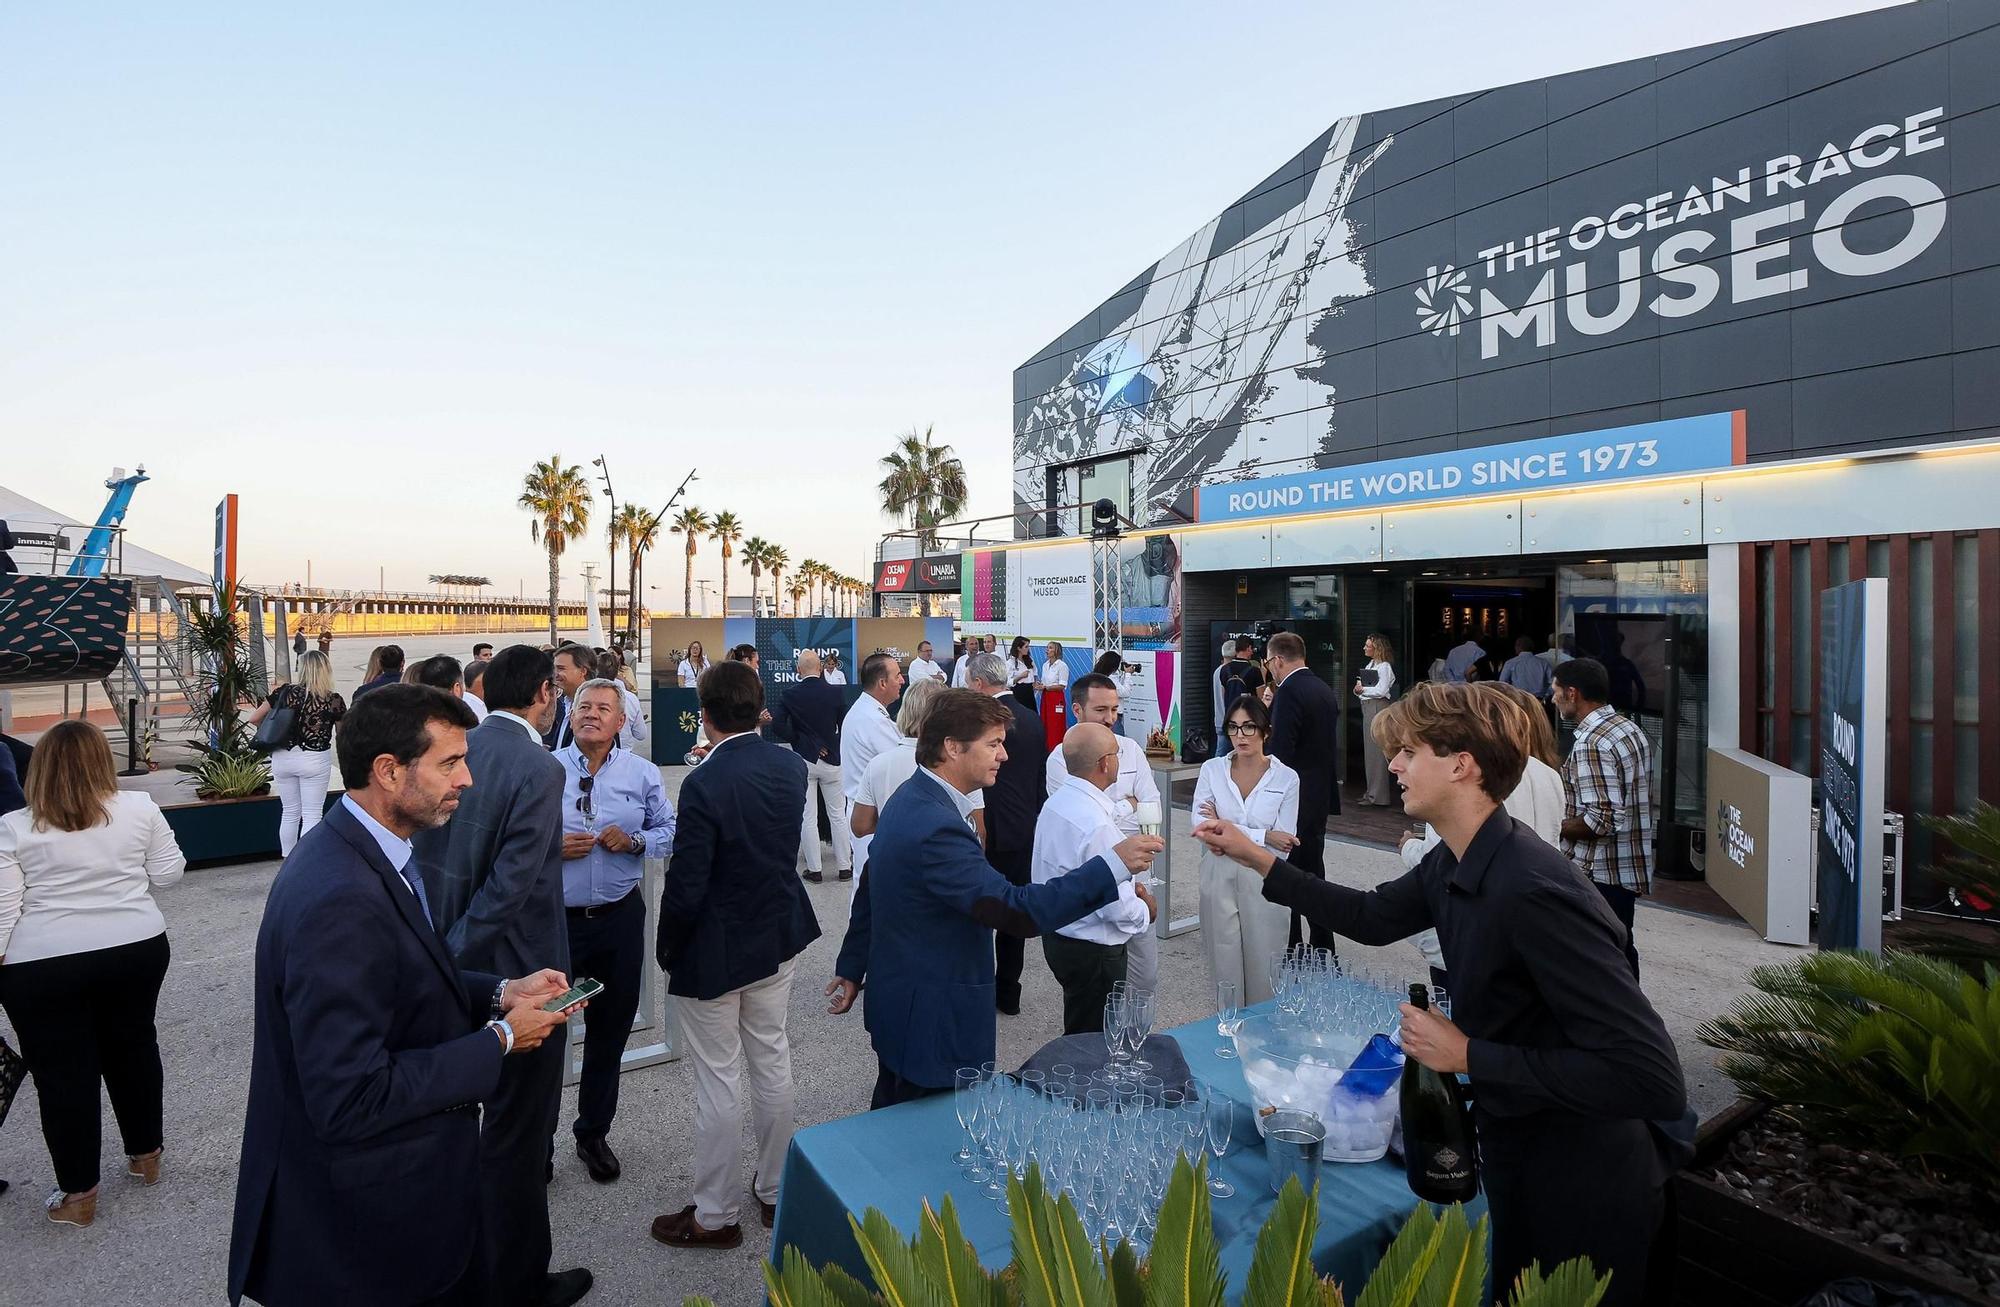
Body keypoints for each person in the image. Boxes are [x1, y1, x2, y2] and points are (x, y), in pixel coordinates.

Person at [1191, 680, 1686, 1307]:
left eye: (1407, 751)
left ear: (1462, 765)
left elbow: (1650, 1077)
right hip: (1519, 1161)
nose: (1392, 766)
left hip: (1582, 1189)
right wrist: (1257, 857)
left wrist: (1468, 1055)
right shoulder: (1457, 858)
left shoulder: (1535, 890)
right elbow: (1371, 918)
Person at [228, 685, 578, 1307]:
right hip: (369, 1233)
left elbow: (403, 979)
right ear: (388, 772)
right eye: (449, 763)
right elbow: (351, 1095)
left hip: (403, 1203)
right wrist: (502, 1038)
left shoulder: (366, 851)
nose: (468, 779)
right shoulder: (340, 896)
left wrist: (501, 991)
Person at [826, 690, 1161, 1108]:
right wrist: (1110, 866)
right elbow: (1016, 911)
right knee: (925, 1139)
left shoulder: (915, 798)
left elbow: (874, 886)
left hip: (907, 1009)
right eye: (993, 743)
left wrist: (853, 965)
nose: (1003, 755)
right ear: (952, 747)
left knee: (897, 1125)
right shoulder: (935, 823)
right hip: (932, 1021)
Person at [413, 646, 593, 1307]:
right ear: (546, 694)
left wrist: (436, 959)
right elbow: (510, 888)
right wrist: (455, 958)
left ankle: (459, 1261)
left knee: (460, 1122)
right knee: (518, 1137)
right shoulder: (538, 766)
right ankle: (515, 1282)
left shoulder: (455, 749)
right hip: (518, 974)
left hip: (451, 961)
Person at [651, 661, 820, 1249]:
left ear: (706, 713)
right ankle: (775, 1190)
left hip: (718, 946)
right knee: (771, 1059)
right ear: (758, 707)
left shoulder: (705, 781)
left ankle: (714, 1214)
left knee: (719, 1078)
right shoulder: (788, 765)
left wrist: (667, 944)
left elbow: (688, 882)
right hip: (775, 933)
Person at [0, 721, 183, 1228]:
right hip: (135, 946)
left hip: (43, 961)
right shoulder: (140, 809)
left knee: (63, 1074)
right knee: (133, 1047)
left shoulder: (14, 826)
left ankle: (79, 1193)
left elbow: (3, 913)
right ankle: (146, 1155)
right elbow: (168, 873)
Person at [557, 679, 676, 1184]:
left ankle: (592, 1134)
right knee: (543, 1031)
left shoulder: (642, 773)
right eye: (584, 706)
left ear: (621, 720)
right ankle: (535, 1140)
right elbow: (513, 837)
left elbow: (669, 831)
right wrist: (551, 848)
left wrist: (632, 841)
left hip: (618, 920)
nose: (591, 715)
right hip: (556, 925)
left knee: (610, 1031)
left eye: (603, 708)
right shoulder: (546, 770)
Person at [1403, 682, 1569, 990]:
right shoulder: (1547, 773)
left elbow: (1444, 859)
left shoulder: (1469, 785)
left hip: (1473, 934)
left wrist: (1407, 846)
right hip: (1530, 926)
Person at [1041, 672, 1162, 996]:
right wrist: (1126, 807)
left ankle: (1135, 1038)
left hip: (1139, 877)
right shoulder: (1060, 759)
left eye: (1114, 709)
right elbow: (1084, 819)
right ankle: (1114, 1040)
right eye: (1101, 710)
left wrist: (1127, 808)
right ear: (1077, 710)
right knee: (1103, 988)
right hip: (1100, 891)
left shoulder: (1132, 749)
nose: (1110, 719)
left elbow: (1151, 802)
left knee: (1145, 976)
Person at [1032, 724, 1157, 1033]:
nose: (1119, 760)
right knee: (1093, 1041)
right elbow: (1115, 906)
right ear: (1104, 763)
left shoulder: (1056, 804)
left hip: (1060, 936)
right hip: (1094, 949)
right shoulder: (1097, 824)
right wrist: (1146, 909)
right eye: (1116, 754)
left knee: (1080, 1025)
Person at [1193, 696, 1298, 1005]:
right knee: (1223, 960)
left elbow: (1286, 843)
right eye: (1234, 728)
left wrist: (1223, 825)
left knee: (1265, 958)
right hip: (1218, 868)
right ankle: (1227, 1031)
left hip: (1265, 873)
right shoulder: (1212, 769)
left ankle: (1262, 1035)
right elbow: (1200, 824)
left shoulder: (1287, 777)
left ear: (1265, 730)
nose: (1240, 736)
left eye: (1249, 727)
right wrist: (1263, 833)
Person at [1553, 657, 1655, 978]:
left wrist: (1552, 826)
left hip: (1600, 873)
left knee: (1599, 963)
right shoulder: (1628, 728)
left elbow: (1602, 820)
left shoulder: (1591, 743)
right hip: (1624, 870)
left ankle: (1621, 1024)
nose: (1552, 698)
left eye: (1556, 691)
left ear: (1572, 693)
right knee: (1619, 953)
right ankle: (1632, 1022)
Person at [966, 653, 1048, 1016]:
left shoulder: (981, 722)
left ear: (980, 684)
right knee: (1014, 913)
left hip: (988, 828)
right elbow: (1039, 780)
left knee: (981, 912)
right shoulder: (1032, 718)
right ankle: (1008, 993)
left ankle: (980, 989)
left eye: (969, 684)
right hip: (1025, 828)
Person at [1263, 631, 1340, 950]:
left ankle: (1291, 942)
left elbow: (1281, 751)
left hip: (1295, 798)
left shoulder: (1290, 691)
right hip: (1319, 794)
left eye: (1269, 663)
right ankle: (1322, 943)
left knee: (1289, 872)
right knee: (1313, 869)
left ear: (1278, 660)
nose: (1270, 670)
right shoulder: (1323, 688)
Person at [247, 650, 346, 856]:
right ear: (325, 670)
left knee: (290, 812)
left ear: (302, 669)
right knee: (312, 815)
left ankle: (287, 860)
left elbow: (254, 718)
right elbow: (342, 734)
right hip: (314, 759)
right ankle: (305, 863)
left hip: (283, 758)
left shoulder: (284, 692)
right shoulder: (333, 699)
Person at [849, 681, 973, 843]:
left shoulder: (878, 764)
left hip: (891, 856)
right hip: (945, 859)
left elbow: (860, 826)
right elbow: (978, 830)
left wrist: (896, 825)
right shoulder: (961, 762)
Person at [771, 651, 850, 882]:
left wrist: (804, 742)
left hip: (805, 761)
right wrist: (827, 744)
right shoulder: (836, 692)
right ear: (821, 668)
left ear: (798, 670)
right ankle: (844, 867)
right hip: (833, 761)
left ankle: (815, 870)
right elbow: (845, 726)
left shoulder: (790, 694)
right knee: (838, 815)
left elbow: (777, 726)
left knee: (808, 816)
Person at [839, 651, 906, 883]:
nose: (902, 681)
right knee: (869, 884)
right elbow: (902, 759)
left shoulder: (867, 712)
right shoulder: (872, 719)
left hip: (867, 812)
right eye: (897, 675)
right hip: (869, 818)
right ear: (882, 683)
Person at [1353, 634, 1398, 806]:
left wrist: (1362, 689)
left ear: (1376, 648)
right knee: (1370, 751)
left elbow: (1380, 690)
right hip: (1369, 705)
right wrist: (1359, 690)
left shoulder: (1384, 667)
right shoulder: (1372, 664)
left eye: (1368, 646)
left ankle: (1378, 795)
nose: (1364, 648)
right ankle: (1371, 792)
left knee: (1377, 752)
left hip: (1378, 706)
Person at [592, 652, 648, 752]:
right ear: (617, 671)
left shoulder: (584, 696)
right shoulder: (630, 698)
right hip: (624, 753)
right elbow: (641, 734)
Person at [1035, 641, 1070, 752]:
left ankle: (1056, 748)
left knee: (1056, 724)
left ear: (1056, 651)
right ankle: (1045, 749)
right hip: (1046, 697)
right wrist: (1039, 686)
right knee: (1045, 722)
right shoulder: (1045, 665)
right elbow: (1044, 682)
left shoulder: (1062, 666)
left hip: (1056, 698)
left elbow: (1062, 685)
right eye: (1047, 648)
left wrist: (1046, 687)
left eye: (1050, 648)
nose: (1047, 650)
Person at [1007, 635, 1035, 709]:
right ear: (1019, 648)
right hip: (1018, 692)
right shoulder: (1010, 663)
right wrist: (1020, 677)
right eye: (1026, 647)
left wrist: (1035, 683)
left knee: (1031, 715)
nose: (1028, 649)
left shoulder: (1029, 661)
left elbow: (1034, 675)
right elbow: (1007, 682)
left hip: (1029, 692)